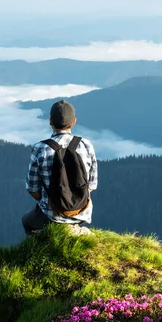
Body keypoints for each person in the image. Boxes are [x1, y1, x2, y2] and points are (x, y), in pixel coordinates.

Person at [22, 100, 98, 235]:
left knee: (27, 221)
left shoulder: (40, 148)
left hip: (51, 214)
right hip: (81, 212)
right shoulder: (86, 145)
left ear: (50, 121)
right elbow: (92, 185)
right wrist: (73, 201)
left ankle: (41, 249)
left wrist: (53, 201)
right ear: (74, 121)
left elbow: (32, 188)